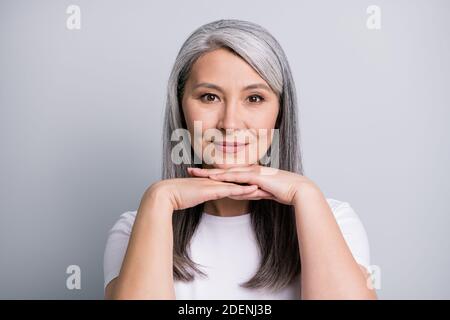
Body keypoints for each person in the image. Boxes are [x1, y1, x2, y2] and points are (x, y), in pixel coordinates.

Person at [103, 19, 377, 299]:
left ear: (280, 113)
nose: (230, 123)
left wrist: (305, 193)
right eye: (209, 97)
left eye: (255, 98)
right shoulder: (136, 228)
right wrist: (159, 199)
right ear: (180, 106)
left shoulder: (334, 221)